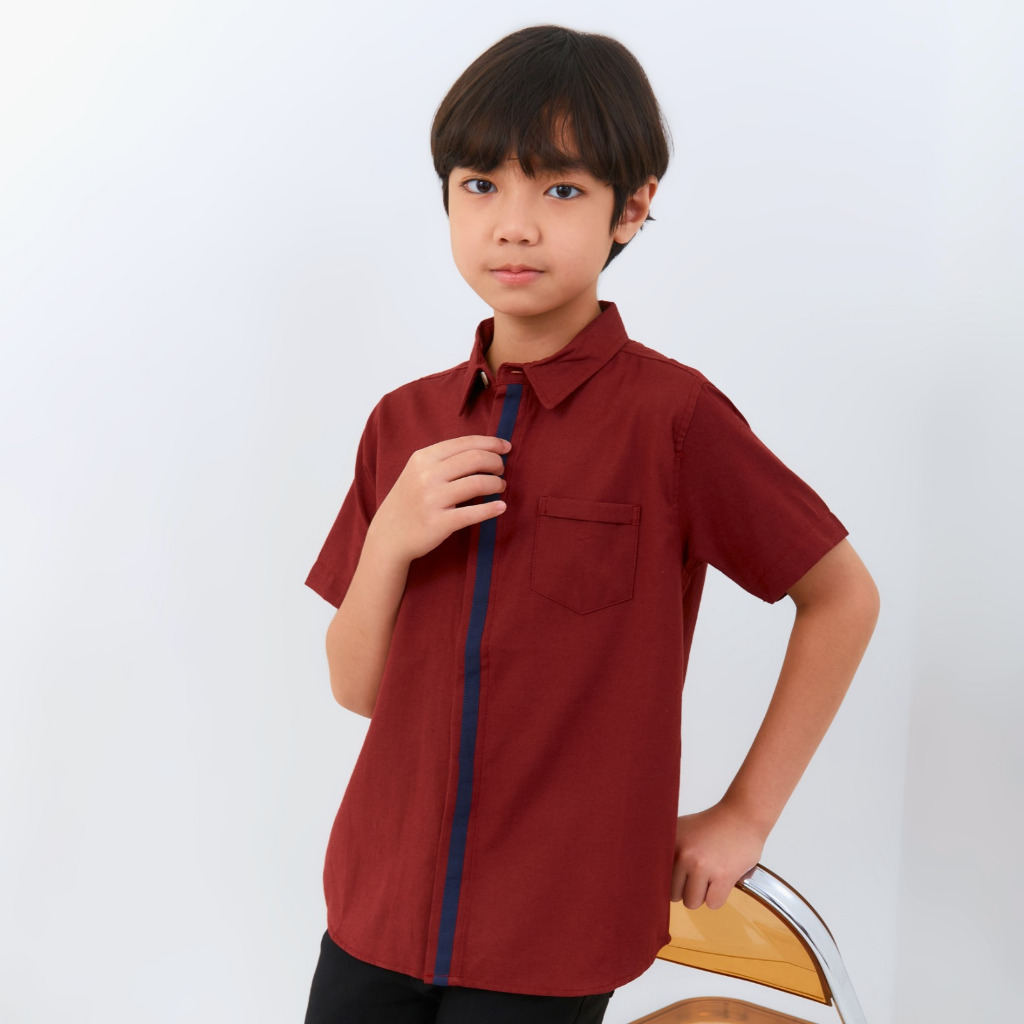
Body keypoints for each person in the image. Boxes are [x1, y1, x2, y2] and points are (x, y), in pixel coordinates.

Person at [301, 24, 879, 1024]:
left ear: (633, 207)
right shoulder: (403, 422)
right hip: (376, 901)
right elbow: (357, 689)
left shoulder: (673, 420)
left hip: (552, 928)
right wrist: (391, 536)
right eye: (481, 184)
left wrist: (745, 814)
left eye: (561, 189)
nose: (514, 226)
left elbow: (841, 596)